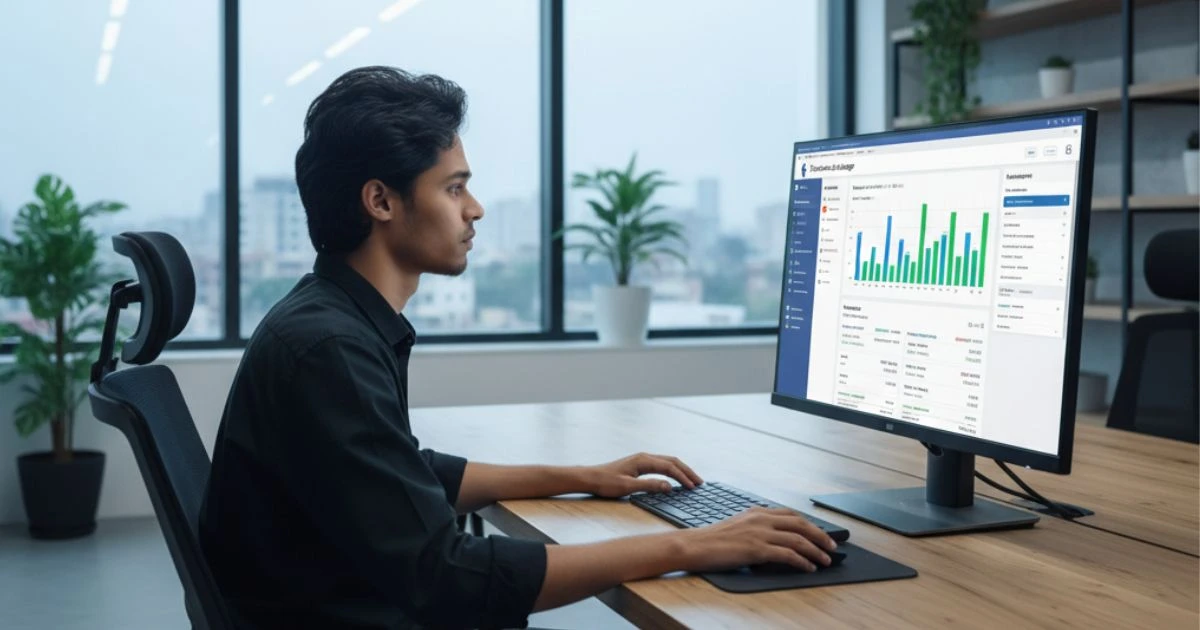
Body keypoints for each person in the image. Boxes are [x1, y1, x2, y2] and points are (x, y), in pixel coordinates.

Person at [199, 65, 837, 630]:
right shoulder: (328, 346)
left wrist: (585, 478)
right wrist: (695, 546)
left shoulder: (331, 319)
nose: (474, 209)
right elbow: (449, 578)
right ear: (380, 200)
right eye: (453, 188)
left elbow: (405, 473)